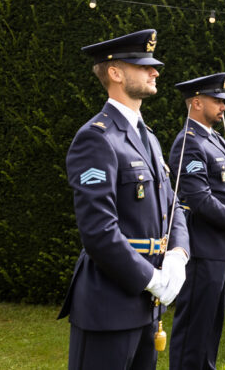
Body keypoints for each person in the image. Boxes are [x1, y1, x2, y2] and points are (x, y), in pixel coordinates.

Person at [58, 28, 189, 370]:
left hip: (147, 307)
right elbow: (99, 231)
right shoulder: (96, 139)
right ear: (115, 73)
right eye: (143, 65)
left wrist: (177, 254)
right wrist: (152, 278)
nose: (155, 71)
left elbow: (172, 206)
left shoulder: (149, 138)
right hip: (109, 305)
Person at [168, 73, 225, 370]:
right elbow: (197, 196)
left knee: (210, 325)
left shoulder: (215, 137)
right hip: (202, 248)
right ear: (196, 102)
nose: (223, 107)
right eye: (217, 101)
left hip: (219, 249)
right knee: (195, 327)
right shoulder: (188, 142)